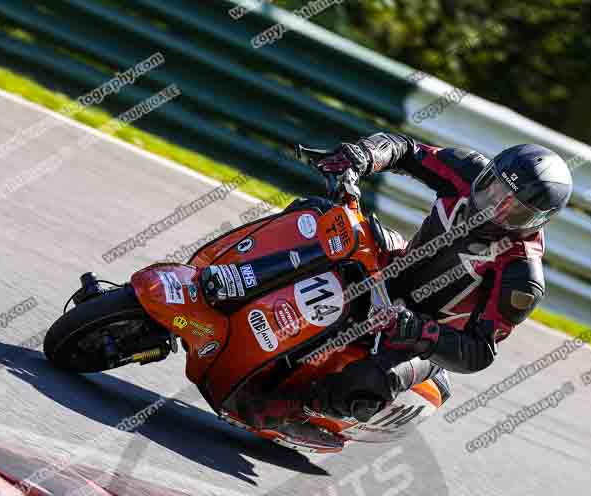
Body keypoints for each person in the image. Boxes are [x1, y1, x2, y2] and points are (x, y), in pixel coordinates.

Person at [244, 133, 573, 428]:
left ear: (538, 222)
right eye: (496, 191)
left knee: (372, 380)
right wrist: (362, 156)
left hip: (423, 334)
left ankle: (296, 407)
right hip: (390, 267)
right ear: (489, 174)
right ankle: (244, 271)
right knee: (319, 215)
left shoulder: (522, 274)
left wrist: (421, 331)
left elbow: (479, 352)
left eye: (515, 212)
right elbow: (405, 150)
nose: (494, 210)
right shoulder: (467, 170)